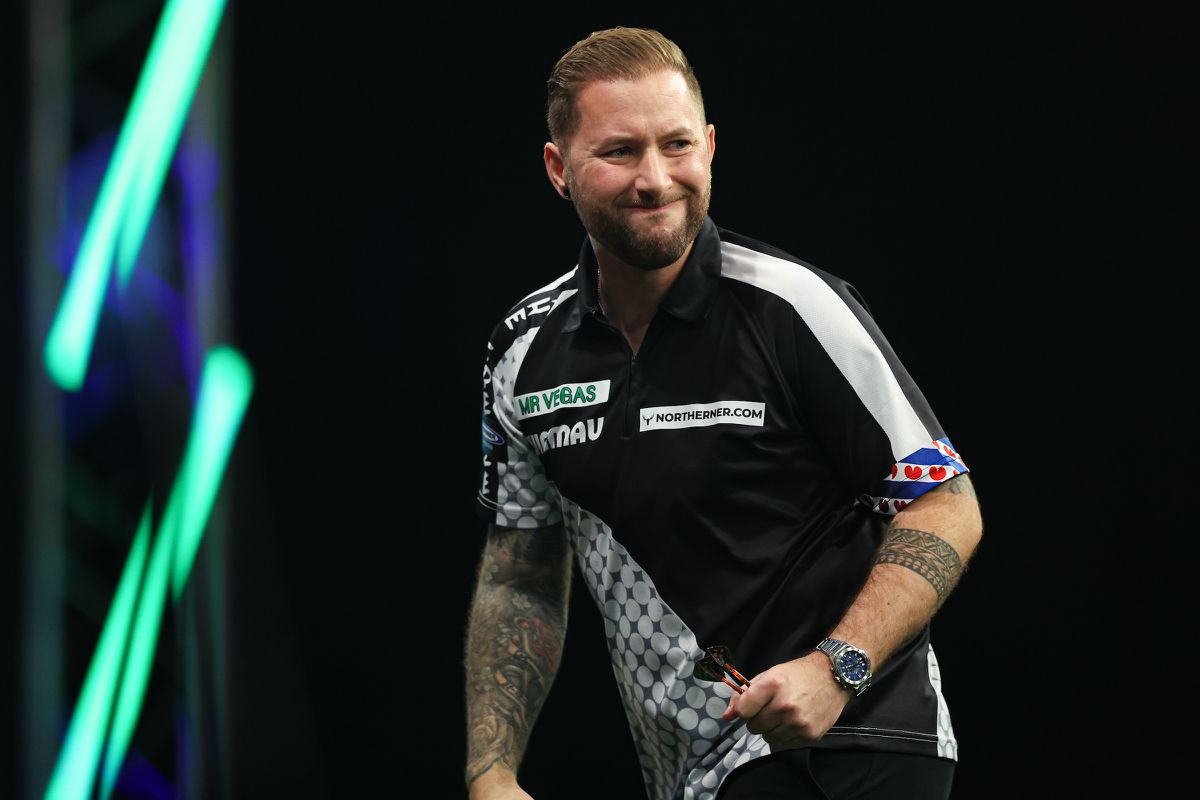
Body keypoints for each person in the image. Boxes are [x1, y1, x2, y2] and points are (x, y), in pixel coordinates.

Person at [464, 26, 983, 800]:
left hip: (850, 739)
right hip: (691, 771)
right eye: (619, 152)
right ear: (558, 169)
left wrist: (835, 668)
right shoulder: (522, 351)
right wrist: (492, 772)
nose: (655, 178)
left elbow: (945, 502)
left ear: (708, 147)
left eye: (676, 145)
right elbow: (522, 576)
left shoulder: (792, 306)